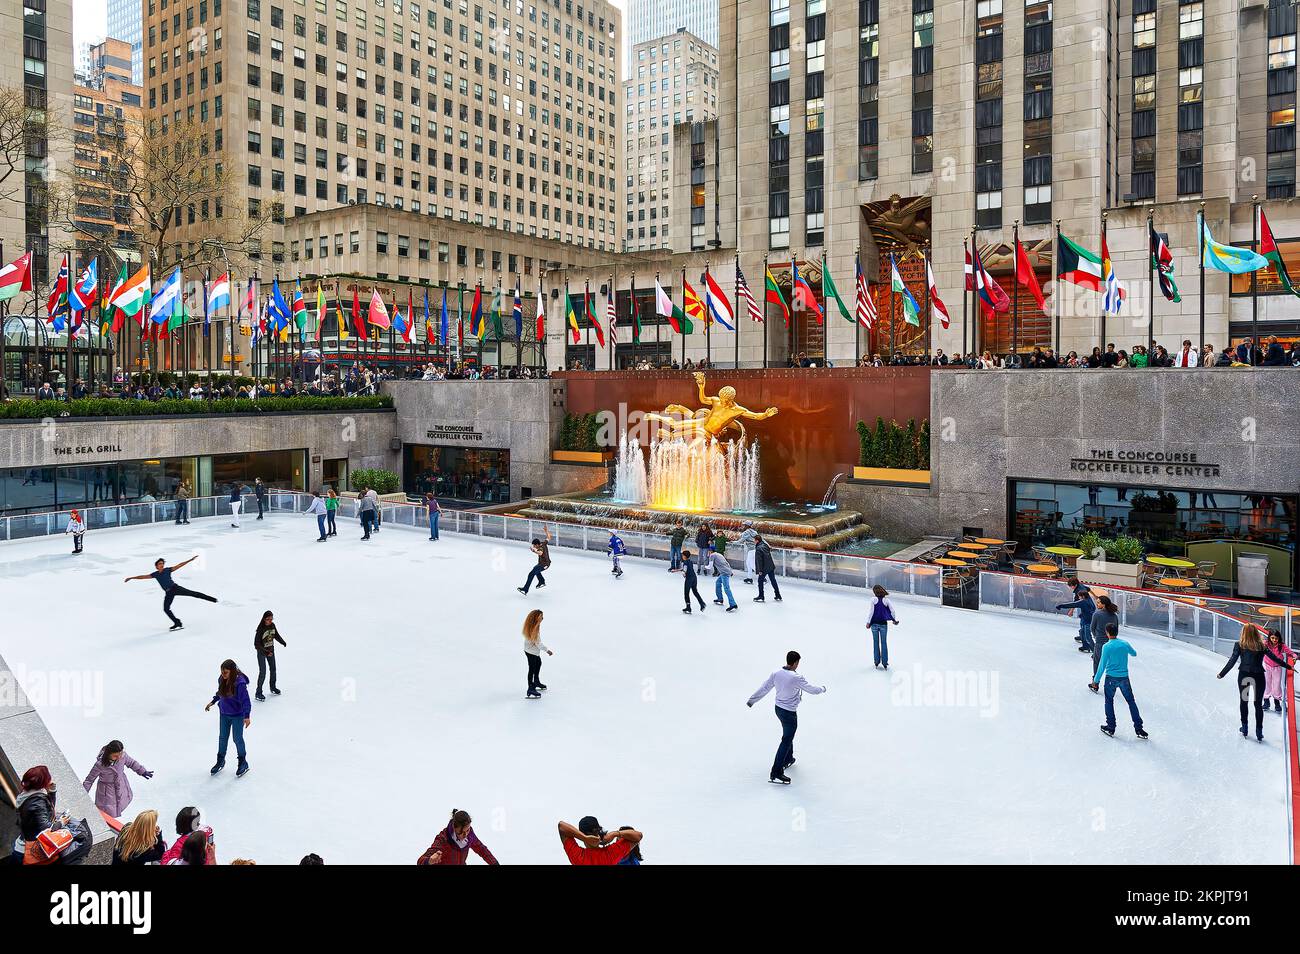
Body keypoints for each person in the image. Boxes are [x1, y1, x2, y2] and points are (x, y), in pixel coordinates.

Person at [747, 651, 825, 784]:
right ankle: (776, 771)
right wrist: (822, 689)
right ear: (795, 663)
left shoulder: (776, 673)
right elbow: (811, 689)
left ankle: (788, 758)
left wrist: (752, 700)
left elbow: (765, 687)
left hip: (778, 709)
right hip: (789, 713)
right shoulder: (796, 677)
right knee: (787, 739)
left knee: (788, 735)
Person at [1217, 624, 1294, 741]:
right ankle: (1259, 732)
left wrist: (1221, 674)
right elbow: (1275, 658)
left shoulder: (1239, 645)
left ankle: (1245, 727)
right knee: (1258, 704)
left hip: (1244, 677)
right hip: (1258, 677)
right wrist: (1288, 666)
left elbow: (1232, 661)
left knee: (1244, 701)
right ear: (1255, 633)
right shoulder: (1261, 646)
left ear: (1244, 633)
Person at [124, 555, 218, 631]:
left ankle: (212, 599)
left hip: (175, 588)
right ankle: (177, 622)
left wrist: (190, 560)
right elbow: (143, 577)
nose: (162, 565)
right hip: (168, 593)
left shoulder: (167, 570)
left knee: (193, 594)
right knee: (166, 609)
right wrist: (132, 577)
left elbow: (179, 565)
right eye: (160, 564)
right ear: (156, 566)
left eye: (162, 563)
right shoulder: (155, 574)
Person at [1094, 626, 1147, 739]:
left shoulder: (1107, 646)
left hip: (1111, 678)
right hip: (1124, 678)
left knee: (1109, 701)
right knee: (1131, 702)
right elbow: (1134, 653)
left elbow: (1102, 665)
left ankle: (1111, 727)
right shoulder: (1124, 644)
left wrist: (1096, 680)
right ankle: (1139, 728)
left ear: (1107, 633)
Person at [81, 741, 153, 819]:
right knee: (108, 812)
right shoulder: (100, 764)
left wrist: (142, 771)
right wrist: (82, 795)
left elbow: (132, 763)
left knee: (121, 803)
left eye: (120, 754)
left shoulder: (123, 756)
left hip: (121, 784)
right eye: (115, 756)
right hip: (107, 791)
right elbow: (89, 780)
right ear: (108, 753)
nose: (119, 757)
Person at [205, 659, 252, 777]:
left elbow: (246, 701)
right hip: (224, 714)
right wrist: (213, 701)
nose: (223, 674)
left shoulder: (239, 683)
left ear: (232, 671)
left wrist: (246, 716)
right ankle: (220, 760)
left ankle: (243, 762)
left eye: (225, 672)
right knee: (222, 738)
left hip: (237, 715)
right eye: (222, 672)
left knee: (237, 739)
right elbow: (220, 692)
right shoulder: (222, 679)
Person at [416, 809, 500, 865]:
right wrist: (429, 861)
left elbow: (481, 849)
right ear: (454, 827)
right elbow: (420, 861)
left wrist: (495, 863)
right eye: (461, 832)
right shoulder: (443, 839)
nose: (465, 835)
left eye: (467, 830)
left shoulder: (470, 833)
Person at [557, 817, 643, 865]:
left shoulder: (578, 856)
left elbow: (561, 826)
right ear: (599, 831)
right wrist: (614, 834)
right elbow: (638, 836)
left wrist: (584, 837)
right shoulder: (610, 853)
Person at [1055, 578, 1096, 653]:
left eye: (1071, 586)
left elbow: (1073, 603)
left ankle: (1093, 650)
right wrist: (1095, 596)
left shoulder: (1081, 599)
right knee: (1082, 631)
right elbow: (1088, 589)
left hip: (1087, 619)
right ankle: (1085, 643)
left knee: (1087, 635)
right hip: (1088, 615)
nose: (1070, 587)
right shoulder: (1083, 592)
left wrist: (1061, 606)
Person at [253, 610, 286, 702]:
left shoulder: (272, 626)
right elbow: (256, 644)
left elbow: (276, 635)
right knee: (263, 672)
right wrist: (266, 652)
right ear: (264, 619)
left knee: (273, 669)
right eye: (268, 619)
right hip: (262, 653)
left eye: (271, 619)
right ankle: (258, 692)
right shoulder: (260, 629)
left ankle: (273, 687)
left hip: (271, 651)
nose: (270, 621)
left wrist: (282, 642)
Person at [867, 584, 899, 670]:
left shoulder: (873, 600)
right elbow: (892, 611)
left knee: (875, 642)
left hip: (874, 624)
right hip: (883, 625)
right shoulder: (886, 600)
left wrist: (868, 622)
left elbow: (871, 612)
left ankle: (876, 661)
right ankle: (885, 662)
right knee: (884, 643)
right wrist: (894, 620)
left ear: (875, 592)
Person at [1263, 630, 1295, 713]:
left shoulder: (1282, 646)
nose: (1274, 640)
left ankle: (1277, 703)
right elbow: (1258, 646)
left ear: (1279, 638)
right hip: (1267, 666)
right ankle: (1266, 701)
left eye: (1276, 638)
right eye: (1272, 638)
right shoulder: (1266, 643)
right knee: (1267, 683)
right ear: (1269, 637)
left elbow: (1290, 652)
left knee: (1276, 685)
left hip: (1277, 667)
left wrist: (1294, 656)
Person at [1089, 595, 1120, 682]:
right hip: (1111, 643)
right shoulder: (1114, 616)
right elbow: (1116, 629)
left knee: (1097, 662)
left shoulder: (1097, 614)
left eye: (1098, 602)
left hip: (1100, 643)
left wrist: (1096, 636)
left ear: (1104, 604)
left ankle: (1095, 682)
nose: (1097, 604)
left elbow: (1092, 628)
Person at [522, 608, 551, 699]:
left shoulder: (534, 626)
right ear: (536, 618)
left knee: (538, 663)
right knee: (532, 668)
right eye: (541, 617)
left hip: (532, 650)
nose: (543, 619)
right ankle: (530, 688)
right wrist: (547, 650)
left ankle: (536, 681)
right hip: (531, 652)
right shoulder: (533, 628)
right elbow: (538, 643)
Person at [752, 535, 782, 602]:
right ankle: (778, 595)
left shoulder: (758, 549)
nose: (753, 541)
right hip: (770, 566)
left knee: (760, 581)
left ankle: (761, 596)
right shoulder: (765, 545)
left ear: (757, 540)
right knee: (773, 580)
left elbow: (759, 561)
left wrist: (760, 570)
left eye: (754, 540)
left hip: (764, 568)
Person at [681, 548, 706, 614]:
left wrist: (683, 573)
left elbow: (684, 571)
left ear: (684, 556)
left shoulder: (685, 563)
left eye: (682, 555)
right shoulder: (690, 561)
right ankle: (702, 603)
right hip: (694, 578)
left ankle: (688, 607)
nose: (682, 556)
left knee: (686, 593)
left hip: (689, 579)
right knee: (695, 591)